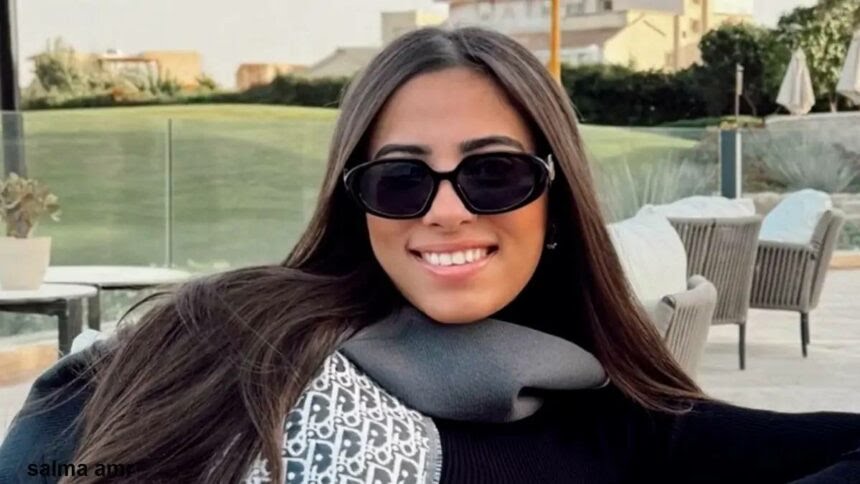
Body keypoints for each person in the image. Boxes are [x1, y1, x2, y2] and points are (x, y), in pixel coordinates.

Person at [1, 27, 859, 484]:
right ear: (357, 202)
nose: (447, 211)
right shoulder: (239, 334)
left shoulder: (615, 421)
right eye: (401, 179)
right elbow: (51, 449)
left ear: (557, 198)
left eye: (494, 174)